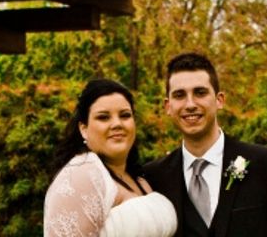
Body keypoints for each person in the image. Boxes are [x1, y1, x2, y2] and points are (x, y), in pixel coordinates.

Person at [143, 52, 267, 237]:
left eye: (200, 93)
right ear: (168, 106)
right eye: (179, 95)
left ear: (219, 100)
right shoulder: (154, 177)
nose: (190, 104)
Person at [44, 79, 177, 237]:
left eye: (125, 115)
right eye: (103, 117)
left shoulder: (138, 179)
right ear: (84, 129)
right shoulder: (81, 176)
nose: (117, 124)